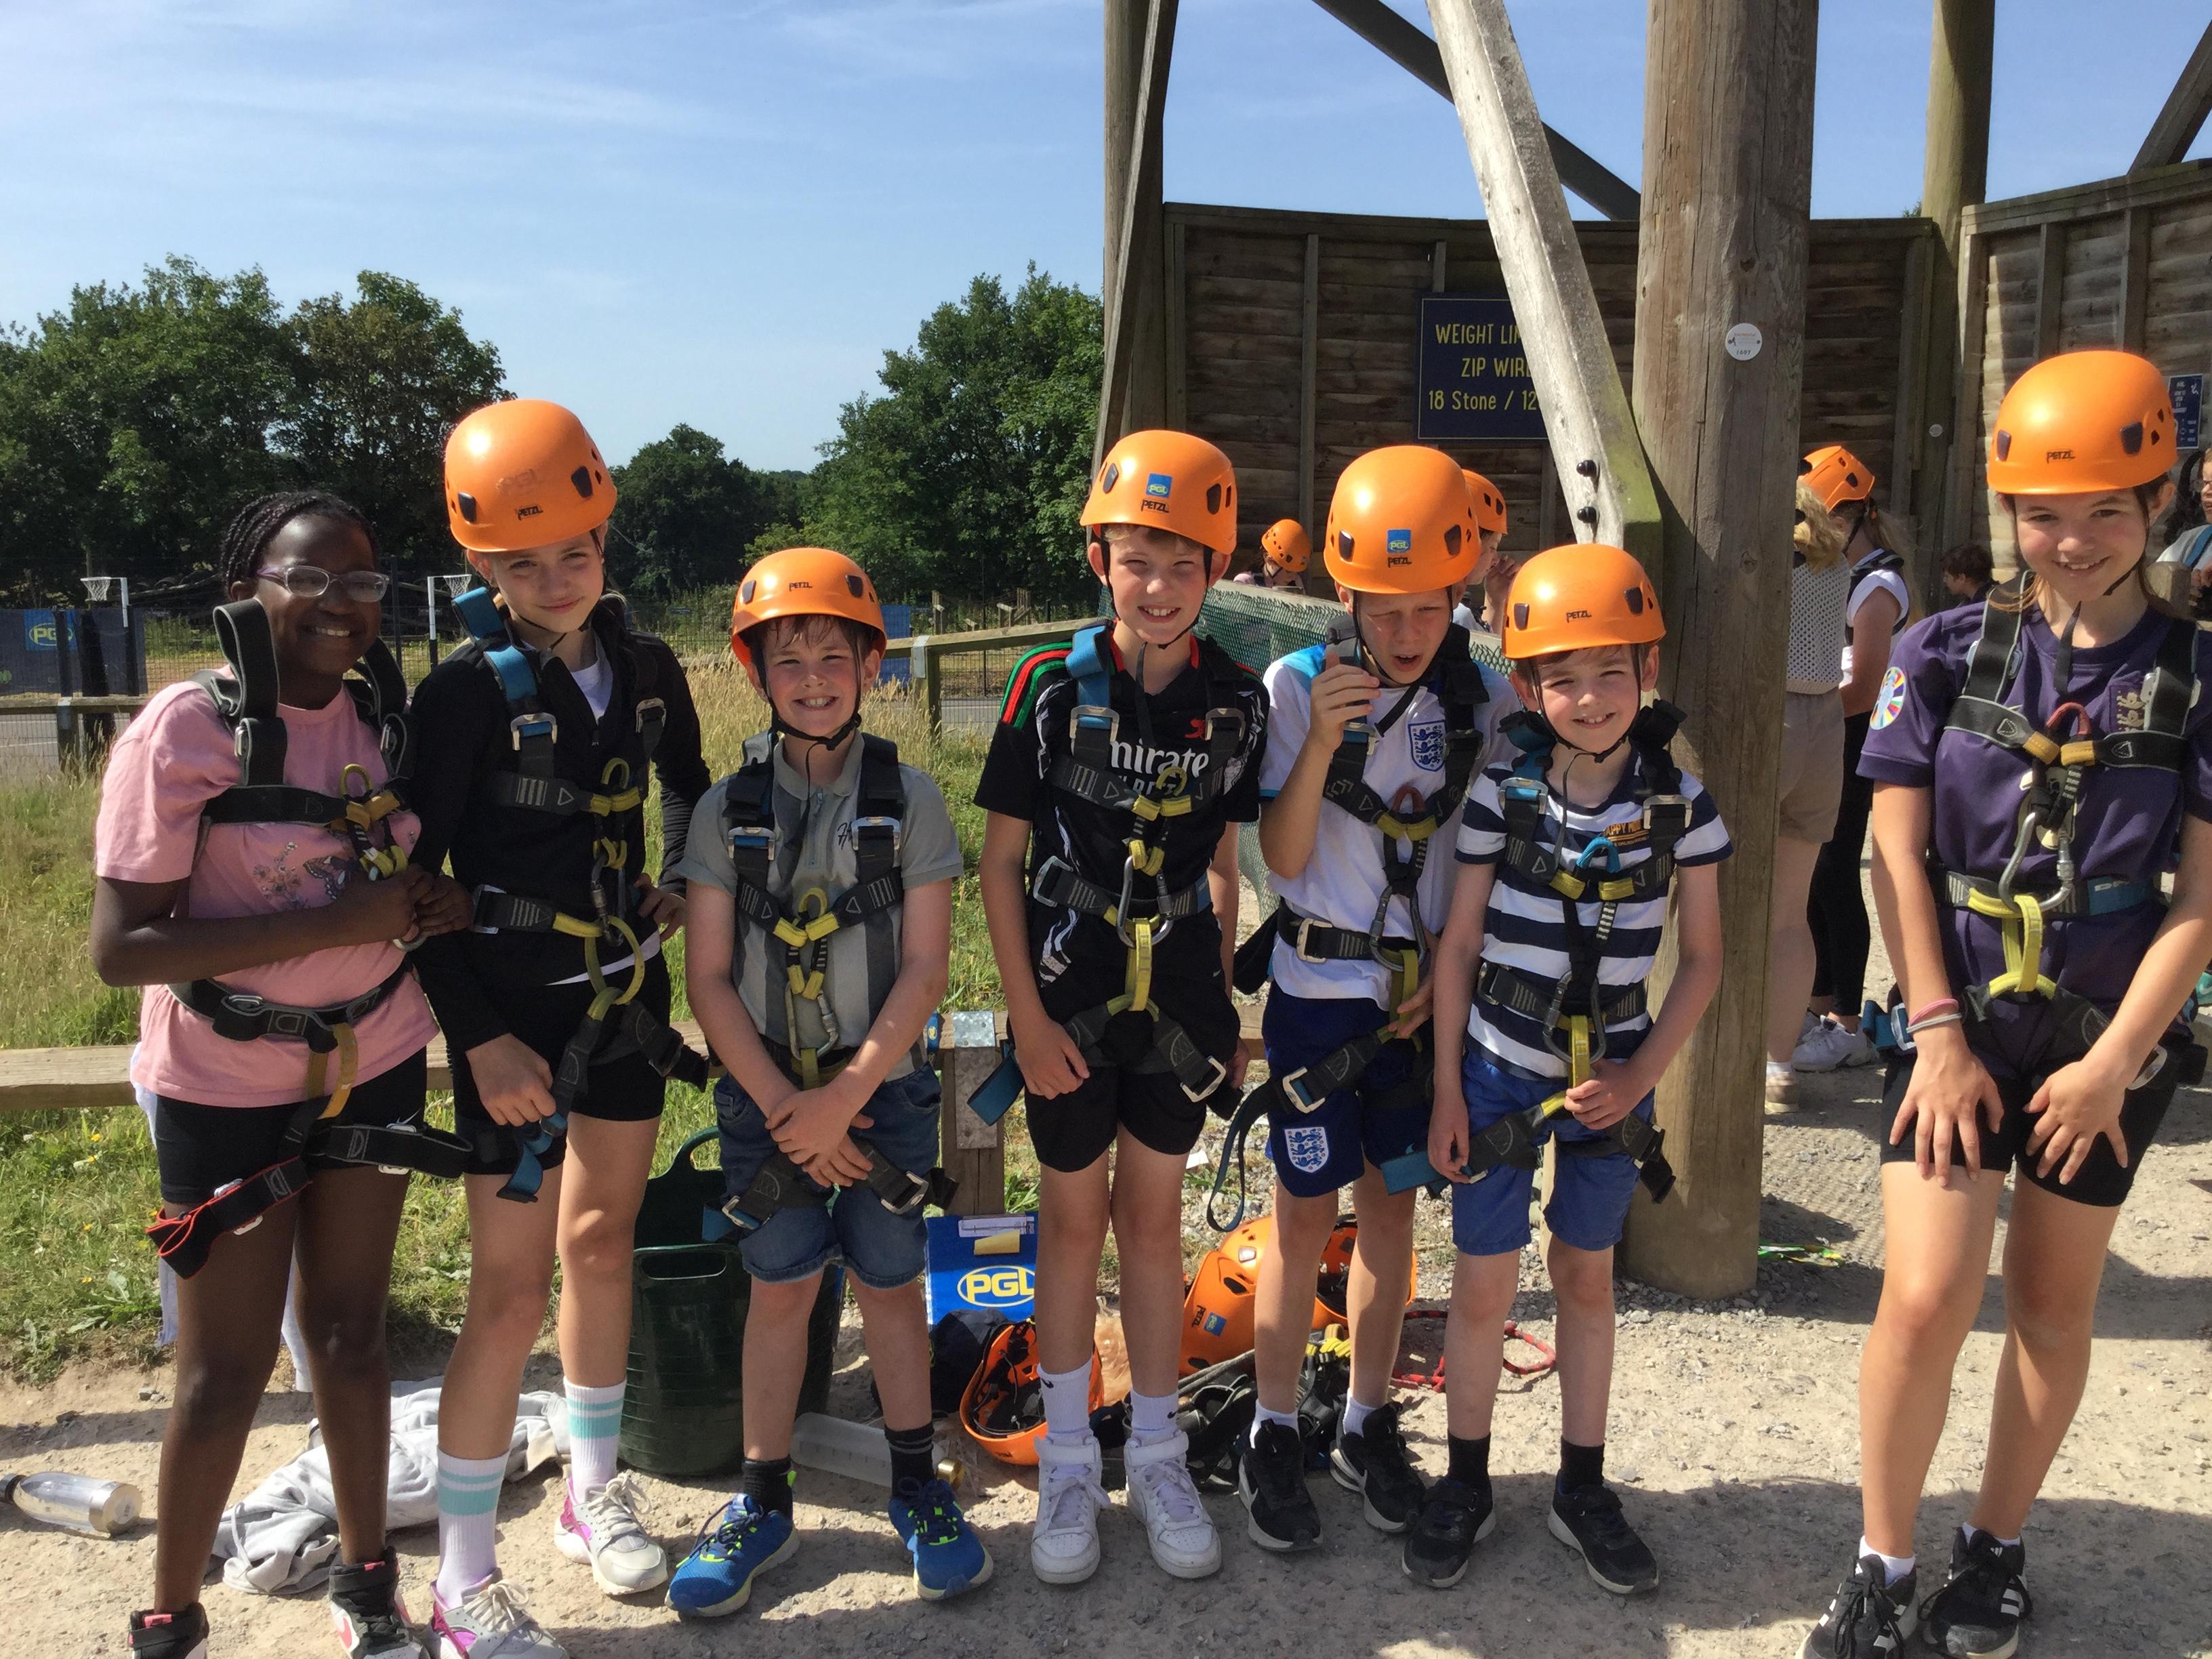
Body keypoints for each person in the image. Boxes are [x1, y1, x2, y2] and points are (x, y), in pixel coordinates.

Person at [1799, 350, 2212, 1659]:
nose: (2072, 540)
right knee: (1923, 1294)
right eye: (2042, 513)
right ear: (2006, 512)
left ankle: (1992, 1547)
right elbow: (1890, 849)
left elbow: (2198, 901)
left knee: (2046, 1302)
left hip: (2102, 1040)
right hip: (1956, 1023)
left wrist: (2113, 1064)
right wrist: (1929, 1032)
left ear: (2156, 503)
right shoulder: (1940, 651)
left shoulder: (2193, 677)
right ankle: (1880, 1560)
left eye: (2105, 510)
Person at [94, 492, 472, 1659]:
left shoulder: (380, 720)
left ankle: (368, 1579)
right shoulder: (185, 730)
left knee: (354, 1333)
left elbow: (392, 877)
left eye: (362, 581)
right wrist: (342, 920)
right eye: (308, 577)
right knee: (225, 1369)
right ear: (243, 590)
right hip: (223, 1078)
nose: (339, 602)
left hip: (375, 1055)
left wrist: (425, 905)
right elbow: (123, 948)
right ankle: (171, 1614)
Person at [408, 399, 712, 1657]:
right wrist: (478, 1041)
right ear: (480, 565)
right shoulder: (461, 696)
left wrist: (678, 879)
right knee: (506, 1289)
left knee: (602, 1243)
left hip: (622, 1002)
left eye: (574, 553)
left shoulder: (645, 672)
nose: (554, 581)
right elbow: (414, 889)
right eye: (521, 563)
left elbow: (692, 790)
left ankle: (592, 1490)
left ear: (604, 539)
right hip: (511, 1027)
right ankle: (462, 1576)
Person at [663, 547, 989, 1613]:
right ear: (756, 672)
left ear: (870, 667)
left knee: (891, 1287)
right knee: (782, 1289)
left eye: (833, 656)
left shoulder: (911, 802)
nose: (812, 678)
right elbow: (709, 979)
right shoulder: (726, 812)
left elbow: (927, 970)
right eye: (789, 658)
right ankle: (763, 1498)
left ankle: (915, 1484)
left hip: (881, 1093)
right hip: (764, 1097)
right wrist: (787, 1112)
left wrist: (841, 1103)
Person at [977, 429, 1267, 1585]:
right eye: (1136, 560)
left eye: (1183, 564)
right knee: (1067, 1222)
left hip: (1178, 997)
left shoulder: (1235, 700)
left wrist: (1221, 1008)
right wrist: (1026, 1017)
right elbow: (1001, 863)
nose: (1157, 586)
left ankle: (1154, 1451)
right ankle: (1064, 1458)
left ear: (1215, 571)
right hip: (1067, 990)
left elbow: (1224, 862)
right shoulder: (1049, 689)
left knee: (1151, 1221)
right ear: (1100, 558)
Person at [1417, 544, 1729, 1596]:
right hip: (1499, 1072)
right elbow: (1460, 946)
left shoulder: (1682, 808)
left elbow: (1706, 961)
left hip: (1613, 1082)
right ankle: (1466, 1480)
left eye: (1610, 671)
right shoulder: (1501, 802)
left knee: (1586, 1277)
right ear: (1526, 688)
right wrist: (1449, 1089)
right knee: (1483, 1284)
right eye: (1563, 678)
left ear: (1648, 669)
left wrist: (1641, 1083)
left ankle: (1581, 1486)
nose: (1589, 697)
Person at [1235, 445, 1517, 1555]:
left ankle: (1363, 1419)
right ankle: (1270, 1426)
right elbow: (1281, 855)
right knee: (1302, 1217)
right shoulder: (1295, 684)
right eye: (1384, 610)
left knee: (1391, 1213)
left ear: (1458, 592)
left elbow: (1494, 852)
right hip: (1319, 992)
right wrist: (1319, 740)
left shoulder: (1479, 695)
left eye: (1428, 609)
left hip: (1417, 1002)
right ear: (1344, 597)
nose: (1406, 632)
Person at [1799, 444, 1914, 1075]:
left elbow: (1866, 687)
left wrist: (1806, 714)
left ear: (1847, 517)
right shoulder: (1843, 576)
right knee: (1816, 875)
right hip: (1832, 729)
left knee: (1836, 871)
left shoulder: (1877, 584)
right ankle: (1817, 1007)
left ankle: (1847, 1020)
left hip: (1853, 731)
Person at [1765, 478, 1853, 1107]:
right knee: (1790, 914)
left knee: (1713, 895)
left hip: (1771, 714)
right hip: (1826, 722)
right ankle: (1779, 1062)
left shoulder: (1773, 560)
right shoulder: (1836, 562)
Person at [1455, 468, 1509, 633]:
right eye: (1493, 547)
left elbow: (1486, 646)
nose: (1496, 560)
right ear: (1468, 542)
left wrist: (1495, 600)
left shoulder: (1447, 612)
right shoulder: (1459, 619)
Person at [1235, 518, 1311, 590]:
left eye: (1296, 572)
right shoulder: (1246, 582)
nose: (1293, 577)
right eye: (1288, 571)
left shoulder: (1296, 583)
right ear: (1269, 560)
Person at [1942, 541, 1996, 607]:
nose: (1944, 580)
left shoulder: (1984, 607)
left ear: (1962, 578)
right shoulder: (1995, 595)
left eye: (1947, 576)